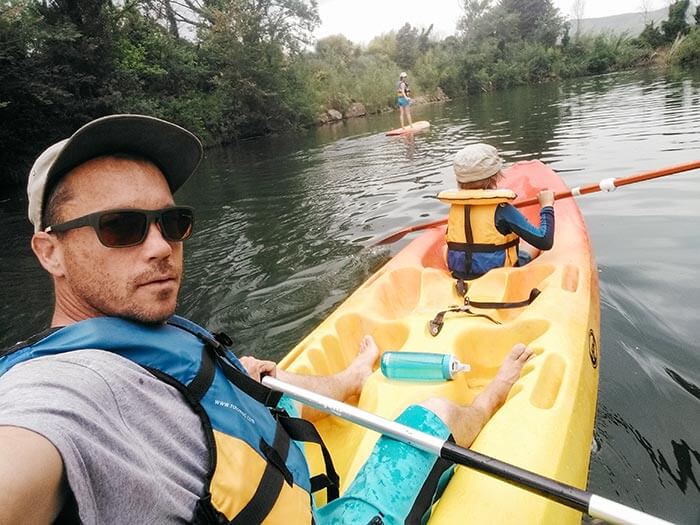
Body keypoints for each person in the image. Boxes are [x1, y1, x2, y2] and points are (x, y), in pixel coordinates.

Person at [0, 115, 533, 524]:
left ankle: (349, 380)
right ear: (50, 252)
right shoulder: (61, 393)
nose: (161, 247)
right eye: (121, 228)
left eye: (172, 221)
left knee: (250, 374)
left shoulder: (145, 341)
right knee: (435, 408)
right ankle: (487, 400)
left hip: (279, 477)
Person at [439, 143, 555, 280]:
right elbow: (544, 241)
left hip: (459, 274)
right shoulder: (502, 209)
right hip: (499, 276)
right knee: (529, 246)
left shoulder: (456, 205)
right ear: (495, 176)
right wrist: (547, 206)